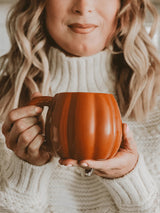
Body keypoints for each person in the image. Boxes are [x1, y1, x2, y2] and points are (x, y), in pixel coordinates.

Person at [0, 0, 160, 212]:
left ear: (123, 5)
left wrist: (128, 177)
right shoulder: (7, 107)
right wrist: (27, 171)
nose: (84, 7)